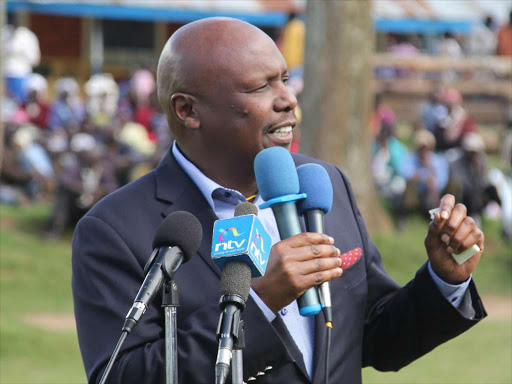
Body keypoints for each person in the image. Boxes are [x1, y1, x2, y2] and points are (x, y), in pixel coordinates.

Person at [72, 18, 486, 384]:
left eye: (285, 79)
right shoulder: (116, 231)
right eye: (259, 87)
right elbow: (124, 375)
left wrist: (444, 280)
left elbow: (373, 336)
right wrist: (259, 301)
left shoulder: (325, 184)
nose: (287, 99)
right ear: (188, 111)